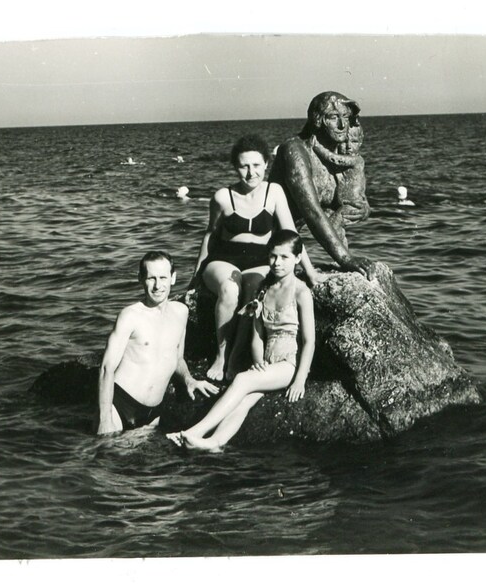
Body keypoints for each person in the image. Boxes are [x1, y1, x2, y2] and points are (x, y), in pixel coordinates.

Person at [190, 134, 322, 382]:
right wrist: (197, 274)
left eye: (257, 165)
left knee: (253, 291)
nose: (251, 173)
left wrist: (311, 272)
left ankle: (236, 357)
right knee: (229, 289)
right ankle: (221, 355)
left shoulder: (274, 192)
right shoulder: (221, 197)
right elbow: (210, 235)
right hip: (224, 259)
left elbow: (290, 235)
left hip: (260, 260)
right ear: (235, 167)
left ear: (266, 164)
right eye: (244, 166)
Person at [167, 230, 315, 452]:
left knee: (243, 381)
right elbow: (256, 334)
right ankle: (214, 442)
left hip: (289, 364)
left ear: (297, 257)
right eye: (273, 256)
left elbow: (309, 340)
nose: (277, 263)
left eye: (284, 257)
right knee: (245, 400)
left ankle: (195, 431)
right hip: (269, 363)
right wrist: (258, 361)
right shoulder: (265, 289)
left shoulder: (301, 292)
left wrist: (300, 379)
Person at [97, 250, 218, 434]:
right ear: (140, 279)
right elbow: (106, 368)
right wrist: (104, 419)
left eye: (163, 277)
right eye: (151, 278)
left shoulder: (181, 312)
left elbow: (176, 358)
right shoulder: (130, 316)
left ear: (173, 278)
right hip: (121, 405)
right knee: (103, 456)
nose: (157, 285)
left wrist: (189, 380)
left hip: (153, 414)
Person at [269, 91, 374, 278]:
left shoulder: (337, 154)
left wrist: (362, 209)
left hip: (288, 249)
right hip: (266, 246)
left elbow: (336, 206)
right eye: (333, 117)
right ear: (317, 120)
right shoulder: (295, 150)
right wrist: (346, 259)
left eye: (346, 117)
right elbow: (312, 211)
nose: (342, 125)